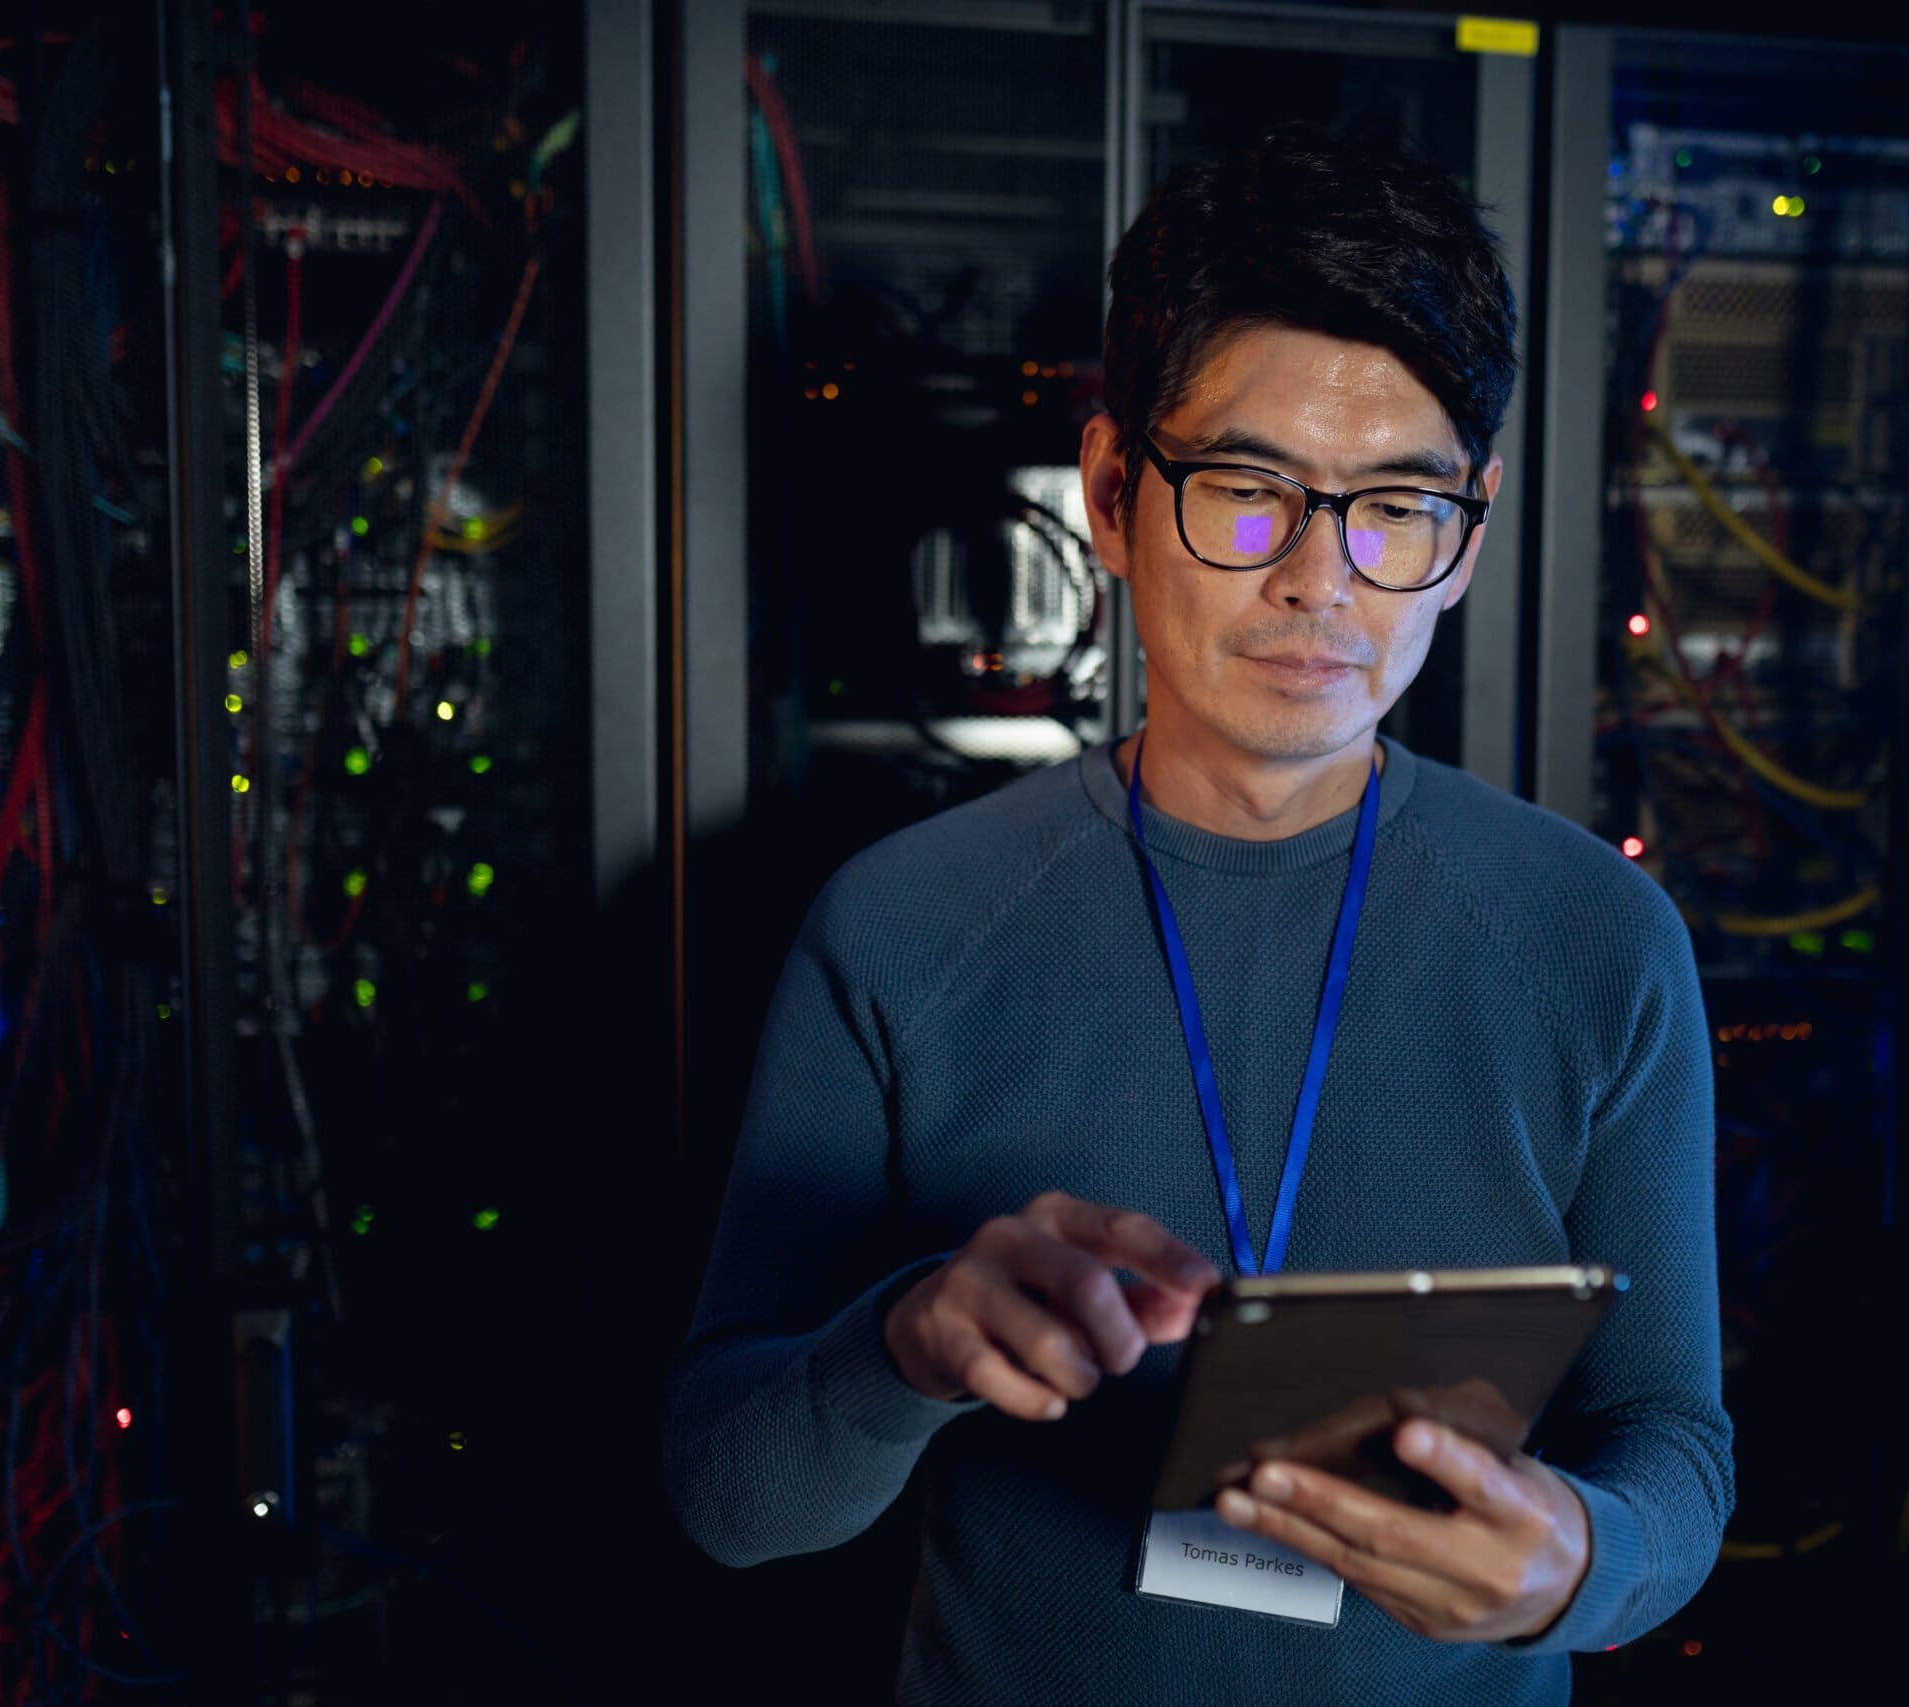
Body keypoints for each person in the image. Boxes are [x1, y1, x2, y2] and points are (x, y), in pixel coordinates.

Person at [664, 121, 1732, 1704]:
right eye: (1247, 492)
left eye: (1396, 510)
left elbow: (1674, 1447)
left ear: (1472, 536)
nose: (1322, 582)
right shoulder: (900, 932)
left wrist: (1581, 1558)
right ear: (1110, 491)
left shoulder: (1597, 942)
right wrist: (908, 1343)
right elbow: (727, 1501)